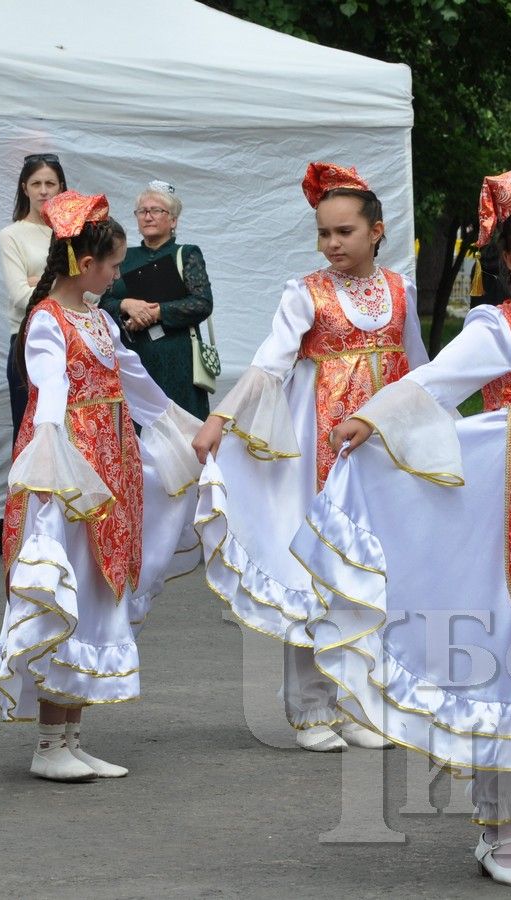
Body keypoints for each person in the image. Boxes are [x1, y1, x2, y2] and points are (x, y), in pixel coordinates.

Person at [294, 172, 511, 887]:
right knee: (508, 668)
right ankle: (497, 830)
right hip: (509, 526)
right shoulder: (496, 327)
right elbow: (431, 384)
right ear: (506, 260)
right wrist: (371, 418)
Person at [191, 163, 426, 752]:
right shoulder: (306, 292)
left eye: (344, 232)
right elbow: (272, 361)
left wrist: (440, 436)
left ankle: (361, 703)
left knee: (373, 571)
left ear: (377, 230)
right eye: (323, 233)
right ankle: (310, 708)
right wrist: (222, 417)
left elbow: (421, 369)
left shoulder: (401, 291)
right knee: (316, 566)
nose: (331, 244)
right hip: (322, 446)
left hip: (384, 448)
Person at [0, 191, 206, 781]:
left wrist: (186, 433)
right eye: (113, 264)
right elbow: (51, 388)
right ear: (85, 265)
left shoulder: (101, 319)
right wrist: (54, 451)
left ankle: (70, 735)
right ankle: (48, 744)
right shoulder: (47, 321)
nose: (118, 273)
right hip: (69, 475)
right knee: (68, 587)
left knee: (95, 591)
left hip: (110, 468)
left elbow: (135, 383)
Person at [99, 180, 214, 419]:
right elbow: (103, 305)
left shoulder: (187, 253)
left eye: (156, 210)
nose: (148, 216)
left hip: (178, 361)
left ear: (173, 220)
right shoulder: (124, 256)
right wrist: (125, 305)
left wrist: (156, 312)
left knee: (182, 430)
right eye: (142, 211)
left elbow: (202, 303)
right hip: (134, 360)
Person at [0, 153, 68, 438]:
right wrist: (64, 280)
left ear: (61, 188)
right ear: (24, 188)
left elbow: (92, 293)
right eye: (36, 183)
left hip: (71, 340)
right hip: (29, 341)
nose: (43, 190)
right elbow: (20, 296)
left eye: (50, 183)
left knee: (70, 431)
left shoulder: (71, 234)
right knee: (31, 432)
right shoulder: (12, 235)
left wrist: (39, 281)